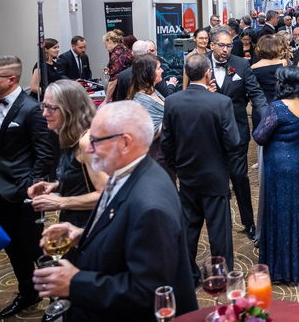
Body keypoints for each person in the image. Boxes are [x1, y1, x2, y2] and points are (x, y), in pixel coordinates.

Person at [33, 101, 199, 322]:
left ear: (125, 143)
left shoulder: (150, 206)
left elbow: (148, 292)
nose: (89, 149)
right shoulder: (126, 174)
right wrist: (83, 235)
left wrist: (74, 283)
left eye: (95, 141)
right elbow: (128, 238)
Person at [161, 53, 239, 276]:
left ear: (186, 73)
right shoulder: (222, 102)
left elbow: (167, 142)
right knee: (219, 231)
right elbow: (233, 141)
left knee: (188, 228)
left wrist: (178, 165)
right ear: (208, 73)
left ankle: (188, 274)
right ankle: (221, 275)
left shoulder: (172, 101)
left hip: (186, 175)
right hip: (215, 175)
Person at [0, 56, 56, 319]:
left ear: (11, 79)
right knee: (12, 248)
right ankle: (27, 292)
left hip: (23, 193)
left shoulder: (31, 109)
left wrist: (30, 188)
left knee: (35, 248)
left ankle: (60, 299)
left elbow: (45, 156)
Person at [252, 66, 299, 283]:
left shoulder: (278, 107)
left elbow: (259, 137)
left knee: (280, 214)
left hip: (280, 166)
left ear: (286, 83)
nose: (277, 83)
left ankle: (284, 267)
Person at [209, 26, 268, 241]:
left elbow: (256, 94)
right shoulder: (200, 63)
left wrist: (269, 117)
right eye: (222, 45)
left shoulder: (241, 65)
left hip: (237, 130)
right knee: (215, 178)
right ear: (212, 44)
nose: (226, 49)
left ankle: (248, 222)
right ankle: (218, 222)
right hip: (209, 132)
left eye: (229, 45)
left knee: (240, 178)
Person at [29, 80, 107, 229]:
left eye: (51, 108)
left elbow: (106, 195)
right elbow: (86, 182)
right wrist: (56, 186)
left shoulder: (87, 142)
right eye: (44, 106)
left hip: (89, 229)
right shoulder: (70, 136)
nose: (44, 113)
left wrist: (59, 202)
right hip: (74, 223)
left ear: (71, 110)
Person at [127, 54, 174, 181]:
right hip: (156, 158)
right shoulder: (142, 100)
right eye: (159, 68)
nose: (162, 71)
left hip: (164, 155)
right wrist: (170, 118)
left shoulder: (153, 91)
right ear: (149, 73)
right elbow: (151, 133)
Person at [250, 35, 288, 131]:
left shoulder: (254, 67)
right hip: (280, 105)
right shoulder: (283, 62)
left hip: (261, 108)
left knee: (261, 138)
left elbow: (253, 91)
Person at [103, 30, 133, 102]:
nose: (105, 46)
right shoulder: (126, 49)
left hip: (122, 90)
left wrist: (105, 100)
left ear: (109, 41)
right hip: (131, 88)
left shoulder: (116, 55)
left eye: (105, 43)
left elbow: (114, 81)